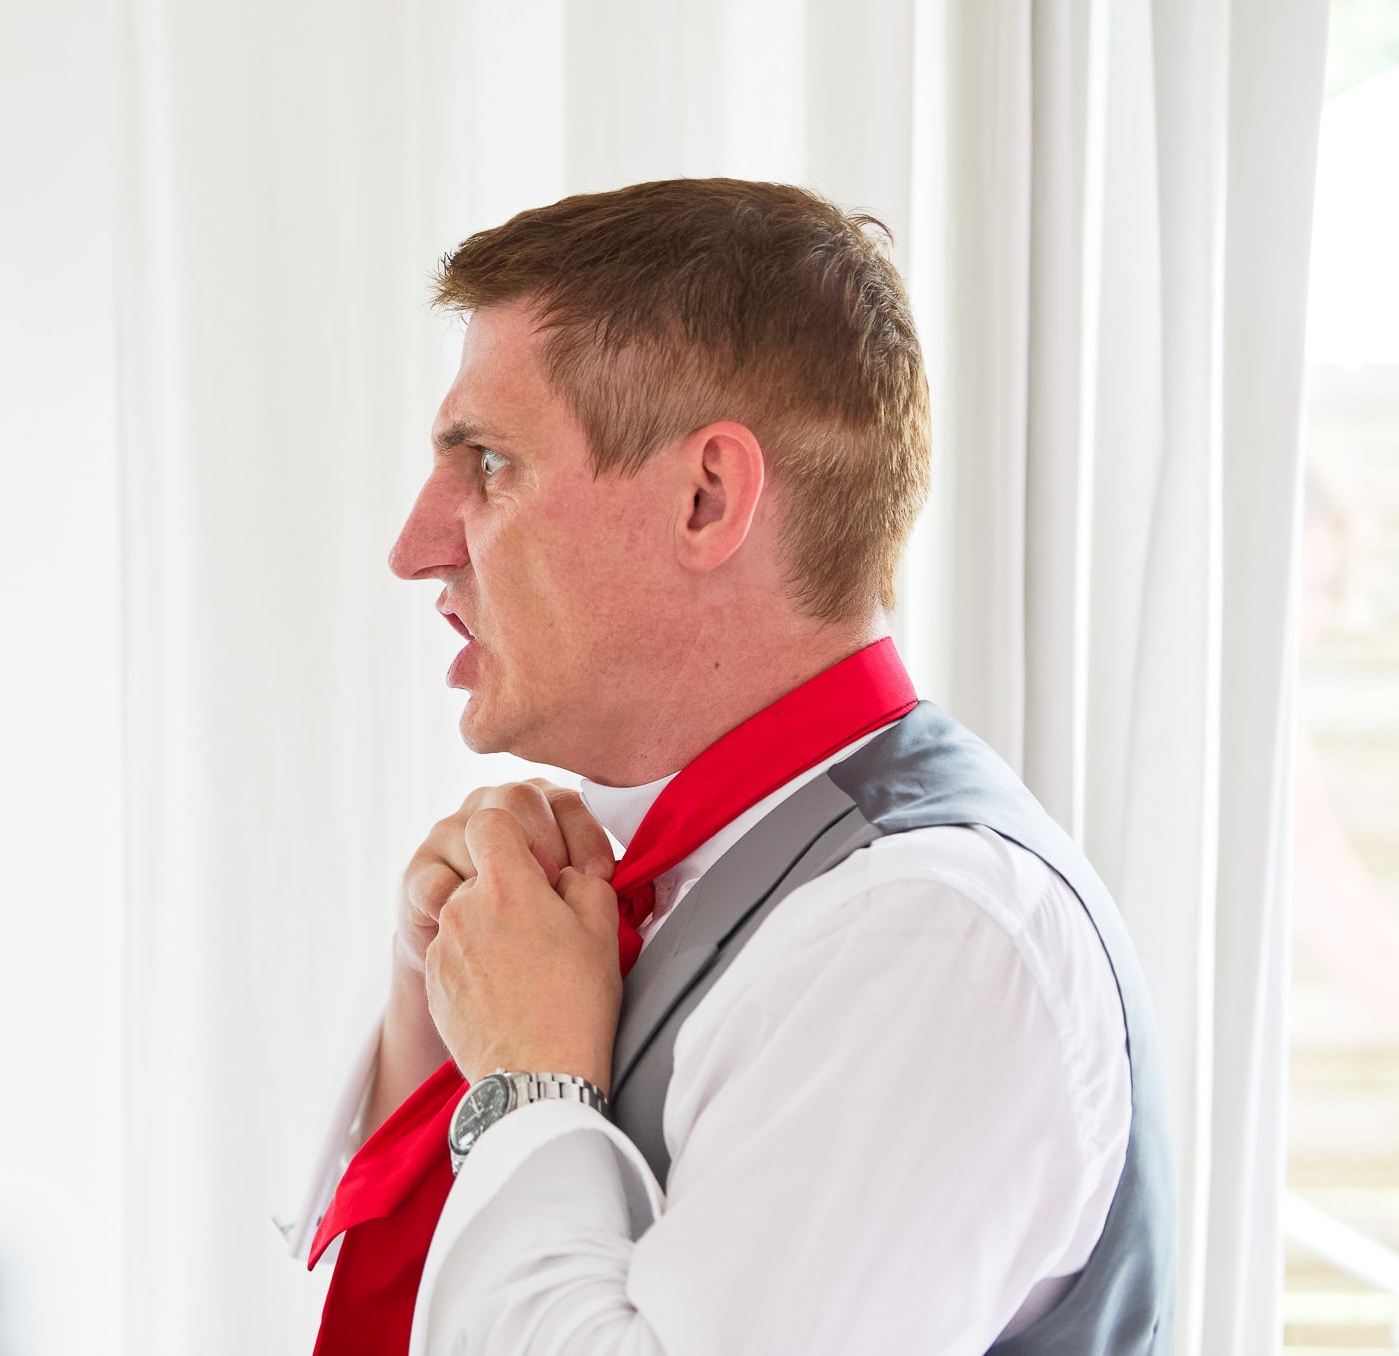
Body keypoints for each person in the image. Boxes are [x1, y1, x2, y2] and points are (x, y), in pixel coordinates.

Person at [290, 179, 1175, 1355]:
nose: (415, 547)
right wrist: (435, 1008)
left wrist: (525, 1088)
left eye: (489, 464)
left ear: (705, 499)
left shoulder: (933, 934)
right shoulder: (638, 886)